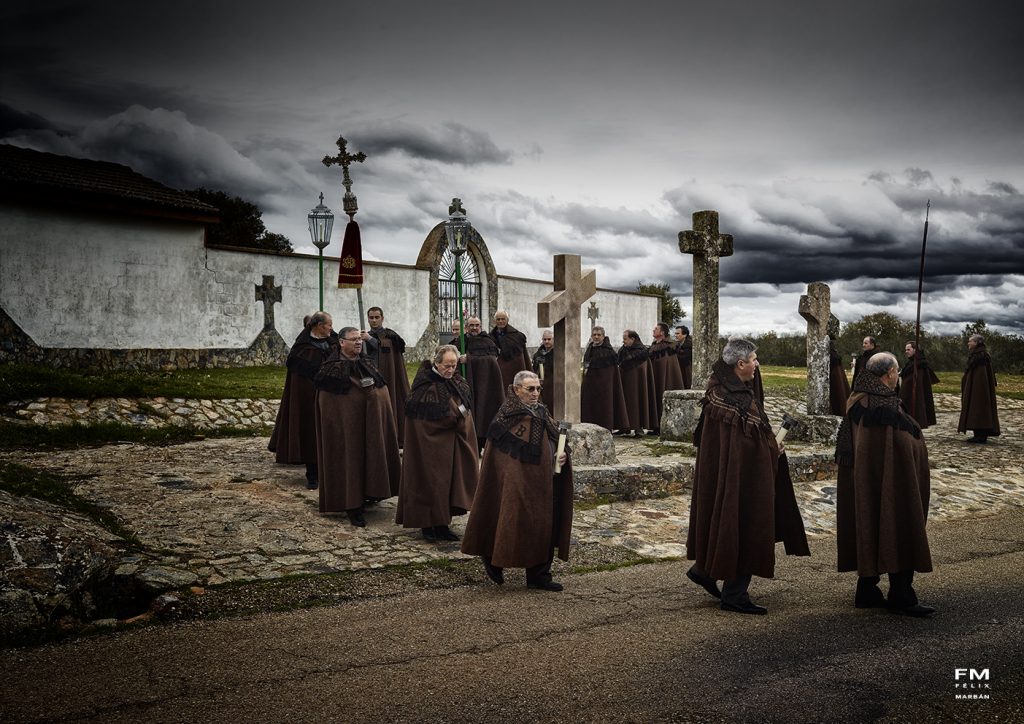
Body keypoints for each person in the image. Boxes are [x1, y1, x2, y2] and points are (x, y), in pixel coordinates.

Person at [685, 338, 809, 615]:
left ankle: (704, 571)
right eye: (754, 359)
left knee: (726, 519)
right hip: (742, 477)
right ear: (740, 364)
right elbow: (746, 444)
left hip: (726, 474)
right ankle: (735, 594)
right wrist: (771, 448)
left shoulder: (717, 388)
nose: (757, 364)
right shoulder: (736, 401)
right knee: (744, 523)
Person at [836, 352, 934, 616]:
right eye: (897, 371)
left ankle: (867, 590)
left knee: (871, 522)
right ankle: (901, 595)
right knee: (896, 523)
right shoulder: (880, 406)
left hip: (870, 480)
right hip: (891, 481)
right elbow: (895, 445)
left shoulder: (860, 396)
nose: (898, 375)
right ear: (888, 373)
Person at [461, 370, 573, 592]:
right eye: (530, 389)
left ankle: (539, 575)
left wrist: (562, 454)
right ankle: (493, 558)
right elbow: (501, 462)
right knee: (510, 521)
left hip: (544, 483)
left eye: (538, 389)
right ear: (515, 389)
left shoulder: (541, 410)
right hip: (518, 484)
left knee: (543, 526)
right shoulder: (507, 417)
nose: (535, 394)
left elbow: (555, 439)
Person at [313, 327, 401, 527]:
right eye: (353, 340)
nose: (358, 343)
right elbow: (329, 405)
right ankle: (353, 505)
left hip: (370, 425)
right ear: (341, 343)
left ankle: (370, 493)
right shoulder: (331, 370)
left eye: (359, 340)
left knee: (371, 456)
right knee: (350, 461)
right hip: (347, 429)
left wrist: (374, 402)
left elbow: (380, 392)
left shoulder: (367, 363)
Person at [396, 345, 478, 542]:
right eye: (446, 366)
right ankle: (427, 525)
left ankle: (442, 525)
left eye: (454, 365)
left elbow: (464, 407)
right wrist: (454, 418)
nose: (450, 370)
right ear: (437, 363)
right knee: (430, 483)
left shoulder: (457, 380)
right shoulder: (424, 386)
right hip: (429, 448)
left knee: (448, 484)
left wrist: (460, 420)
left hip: (452, 446)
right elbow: (421, 421)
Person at [268, 312, 337, 489]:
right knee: (310, 436)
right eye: (329, 324)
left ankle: (331, 473)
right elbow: (298, 380)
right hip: (309, 401)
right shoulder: (301, 349)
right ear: (319, 326)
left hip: (332, 399)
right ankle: (312, 475)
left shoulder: (334, 342)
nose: (331, 327)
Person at [447, 316, 505, 449]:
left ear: (481, 326)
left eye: (477, 325)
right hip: (465, 383)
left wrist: (470, 359)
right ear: (466, 327)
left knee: (483, 412)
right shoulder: (460, 341)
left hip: (483, 384)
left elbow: (491, 360)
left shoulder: (488, 341)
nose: (474, 328)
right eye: (471, 325)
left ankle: (483, 443)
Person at [361, 307, 411, 446]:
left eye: (377, 317)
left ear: (382, 318)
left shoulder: (390, 335)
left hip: (388, 377)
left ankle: (393, 437)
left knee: (391, 405)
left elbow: (386, 348)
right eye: (371, 317)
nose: (374, 320)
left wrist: (370, 339)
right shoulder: (364, 336)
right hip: (370, 377)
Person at [580, 326, 630, 432]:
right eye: (594, 335)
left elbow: (611, 372)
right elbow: (586, 364)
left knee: (605, 406)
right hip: (591, 383)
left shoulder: (609, 351)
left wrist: (606, 383)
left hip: (605, 385)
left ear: (603, 336)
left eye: (599, 335)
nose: (596, 337)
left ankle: (606, 428)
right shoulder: (590, 348)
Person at [957, 334, 1000, 443]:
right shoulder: (977, 355)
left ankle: (981, 436)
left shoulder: (980, 357)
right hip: (976, 390)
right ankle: (978, 435)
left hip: (980, 391)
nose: (968, 343)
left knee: (979, 409)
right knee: (976, 409)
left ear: (976, 343)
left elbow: (981, 377)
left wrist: (977, 390)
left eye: (970, 341)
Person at [618, 330, 658, 436]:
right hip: (625, 382)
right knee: (624, 402)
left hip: (638, 384)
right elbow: (620, 363)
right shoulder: (623, 350)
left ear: (632, 339)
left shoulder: (642, 352)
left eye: (625, 338)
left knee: (639, 401)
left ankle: (638, 427)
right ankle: (624, 426)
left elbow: (642, 370)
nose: (623, 341)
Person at [649, 323, 684, 432]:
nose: (654, 330)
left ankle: (664, 426)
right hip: (655, 375)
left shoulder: (671, 345)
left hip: (666, 377)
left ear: (662, 332)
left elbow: (670, 364)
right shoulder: (653, 345)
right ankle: (655, 426)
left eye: (656, 329)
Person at [898, 341, 940, 428]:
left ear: (915, 350)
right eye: (906, 350)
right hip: (907, 395)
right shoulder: (911, 363)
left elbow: (921, 383)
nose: (906, 351)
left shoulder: (921, 364)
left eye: (908, 349)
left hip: (915, 396)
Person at [491, 311, 532, 390]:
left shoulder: (517, 336)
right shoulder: (491, 336)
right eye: (498, 319)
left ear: (507, 320)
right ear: (495, 321)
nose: (500, 321)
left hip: (515, 370)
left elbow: (523, 356)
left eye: (503, 319)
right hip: (499, 371)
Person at [531, 329, 555, 412]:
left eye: (549, 339)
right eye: (544, 339)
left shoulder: (558, 353)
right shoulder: (538, 354)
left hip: (553, 384)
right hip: (541, 385)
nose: (546, 341)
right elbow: (534, 369)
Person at [829, 335, 851, 417]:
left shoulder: (833, 355)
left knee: (837, 396)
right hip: (834, 377)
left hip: (834, 379)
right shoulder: (835, 354)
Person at [675, 325, 693, 389]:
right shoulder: (677, 345)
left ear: (684, 335)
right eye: (675, 333)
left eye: (678, 333)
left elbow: (684, 359)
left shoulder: (690, 346)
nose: (675, 335)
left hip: (687, 372)